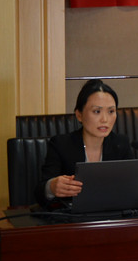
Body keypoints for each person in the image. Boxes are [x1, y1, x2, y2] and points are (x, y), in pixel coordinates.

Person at [35, 79, 132, 208]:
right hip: (72, 216)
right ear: (79, 115)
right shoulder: (61, 145)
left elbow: (132, 187)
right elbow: (39, 192)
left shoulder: (121, 144)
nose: (105, 119)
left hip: (112, 214)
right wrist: (51, 187)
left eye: (111, 111)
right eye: (97, 111)